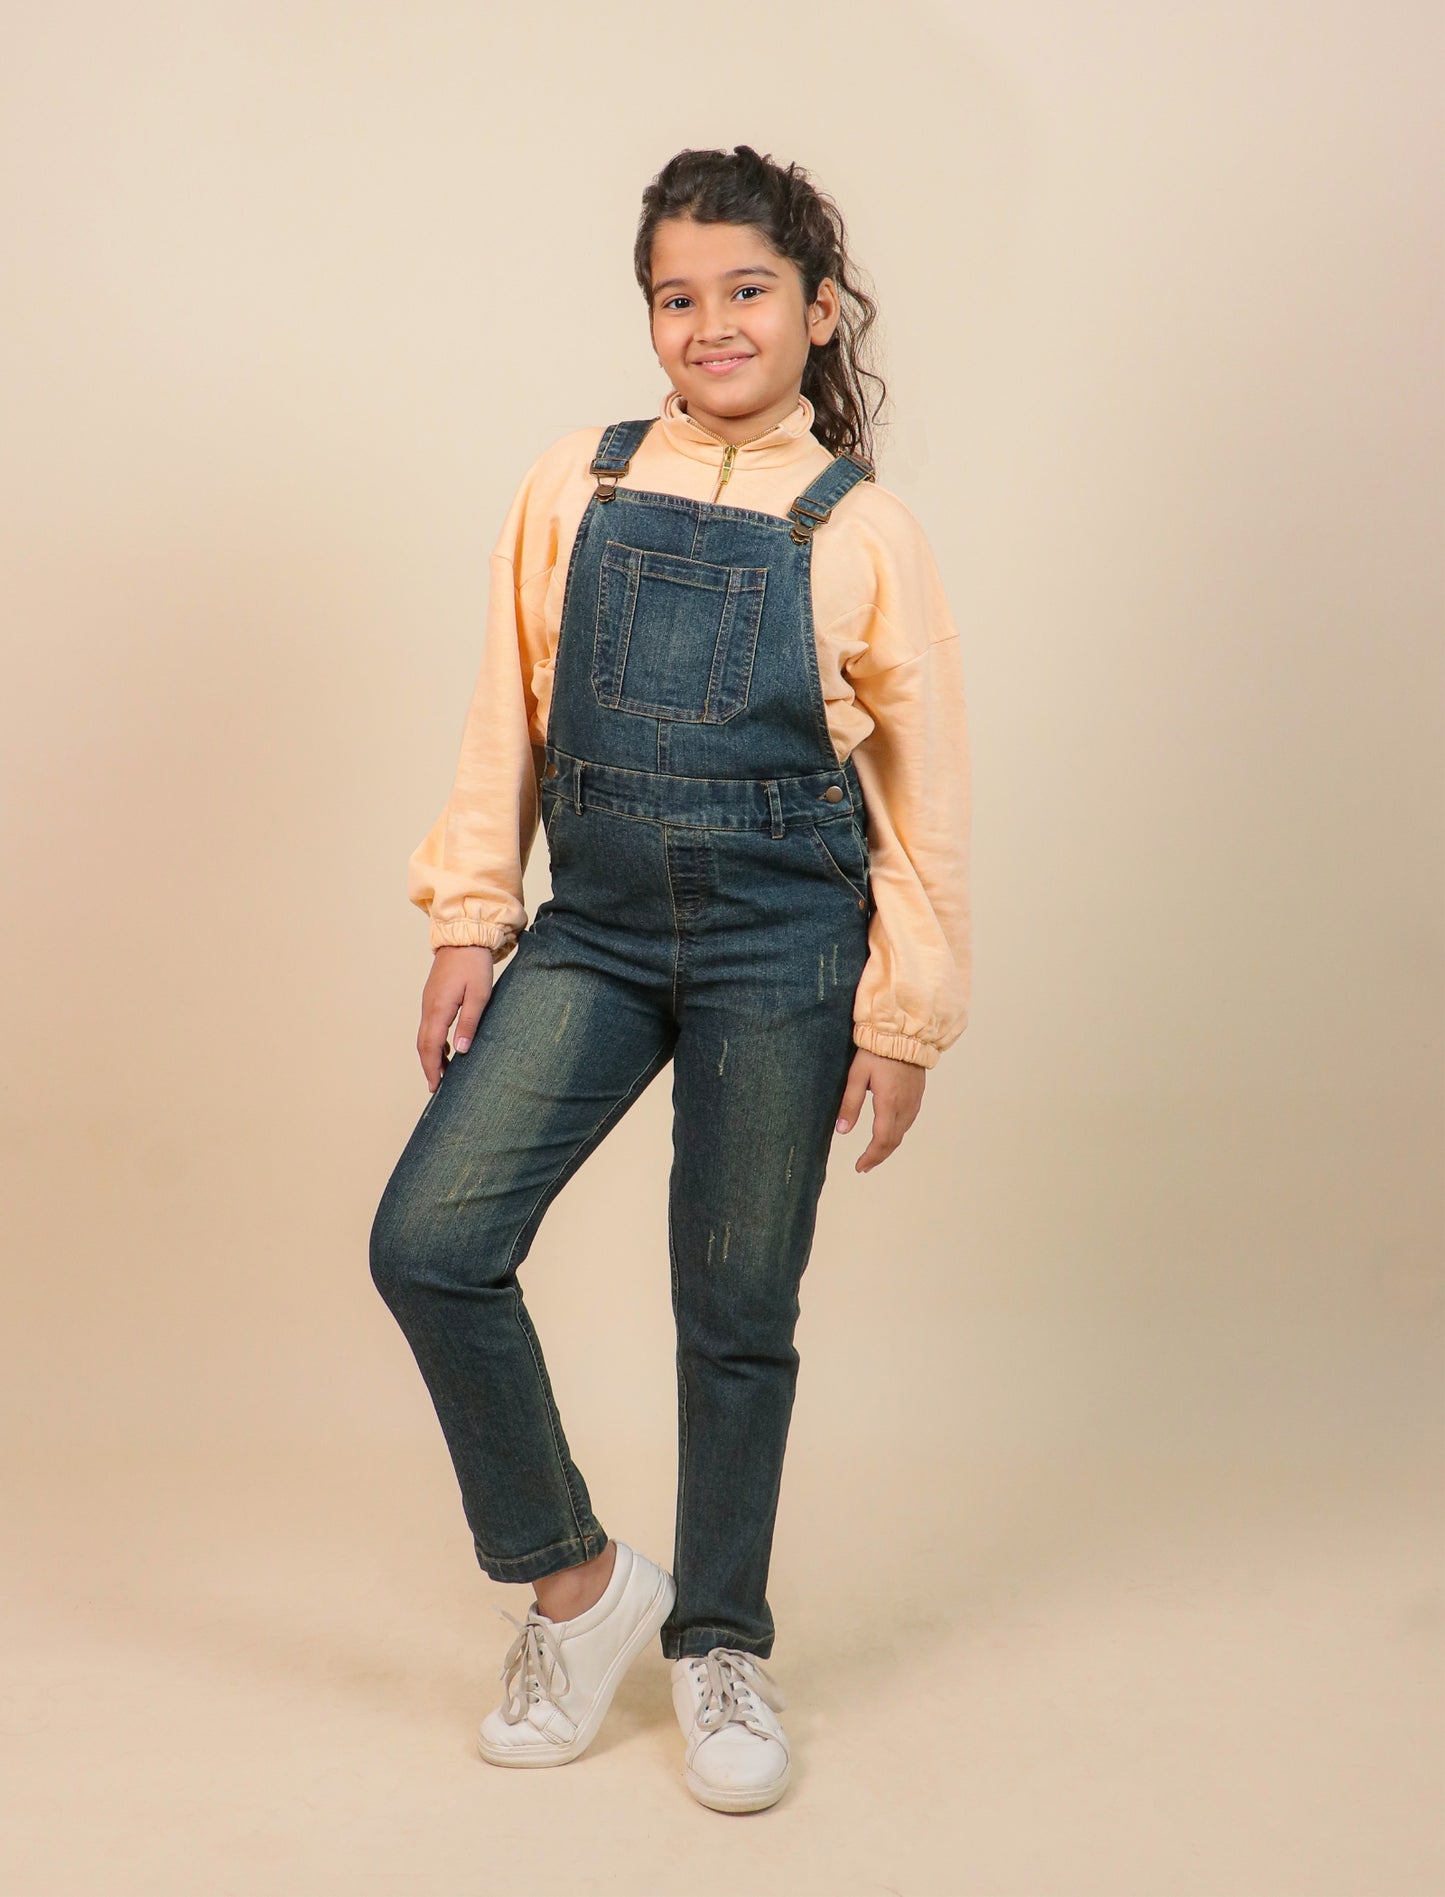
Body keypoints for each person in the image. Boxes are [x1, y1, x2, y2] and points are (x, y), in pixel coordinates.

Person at [369, 143, 971, 1815]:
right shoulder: (575, 478)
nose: (711, 324)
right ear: (651, 315)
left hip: (789, 945)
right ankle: (576, 1581)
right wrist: (466, 919)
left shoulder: (864, 531)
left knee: (734, 1308)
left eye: (747, 290)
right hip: (603, 930)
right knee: (431, 1240)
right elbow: (506, 710)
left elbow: (925, 801)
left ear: (815, 307)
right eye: (677, 296)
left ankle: (718, 1641)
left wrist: (903, 1011)